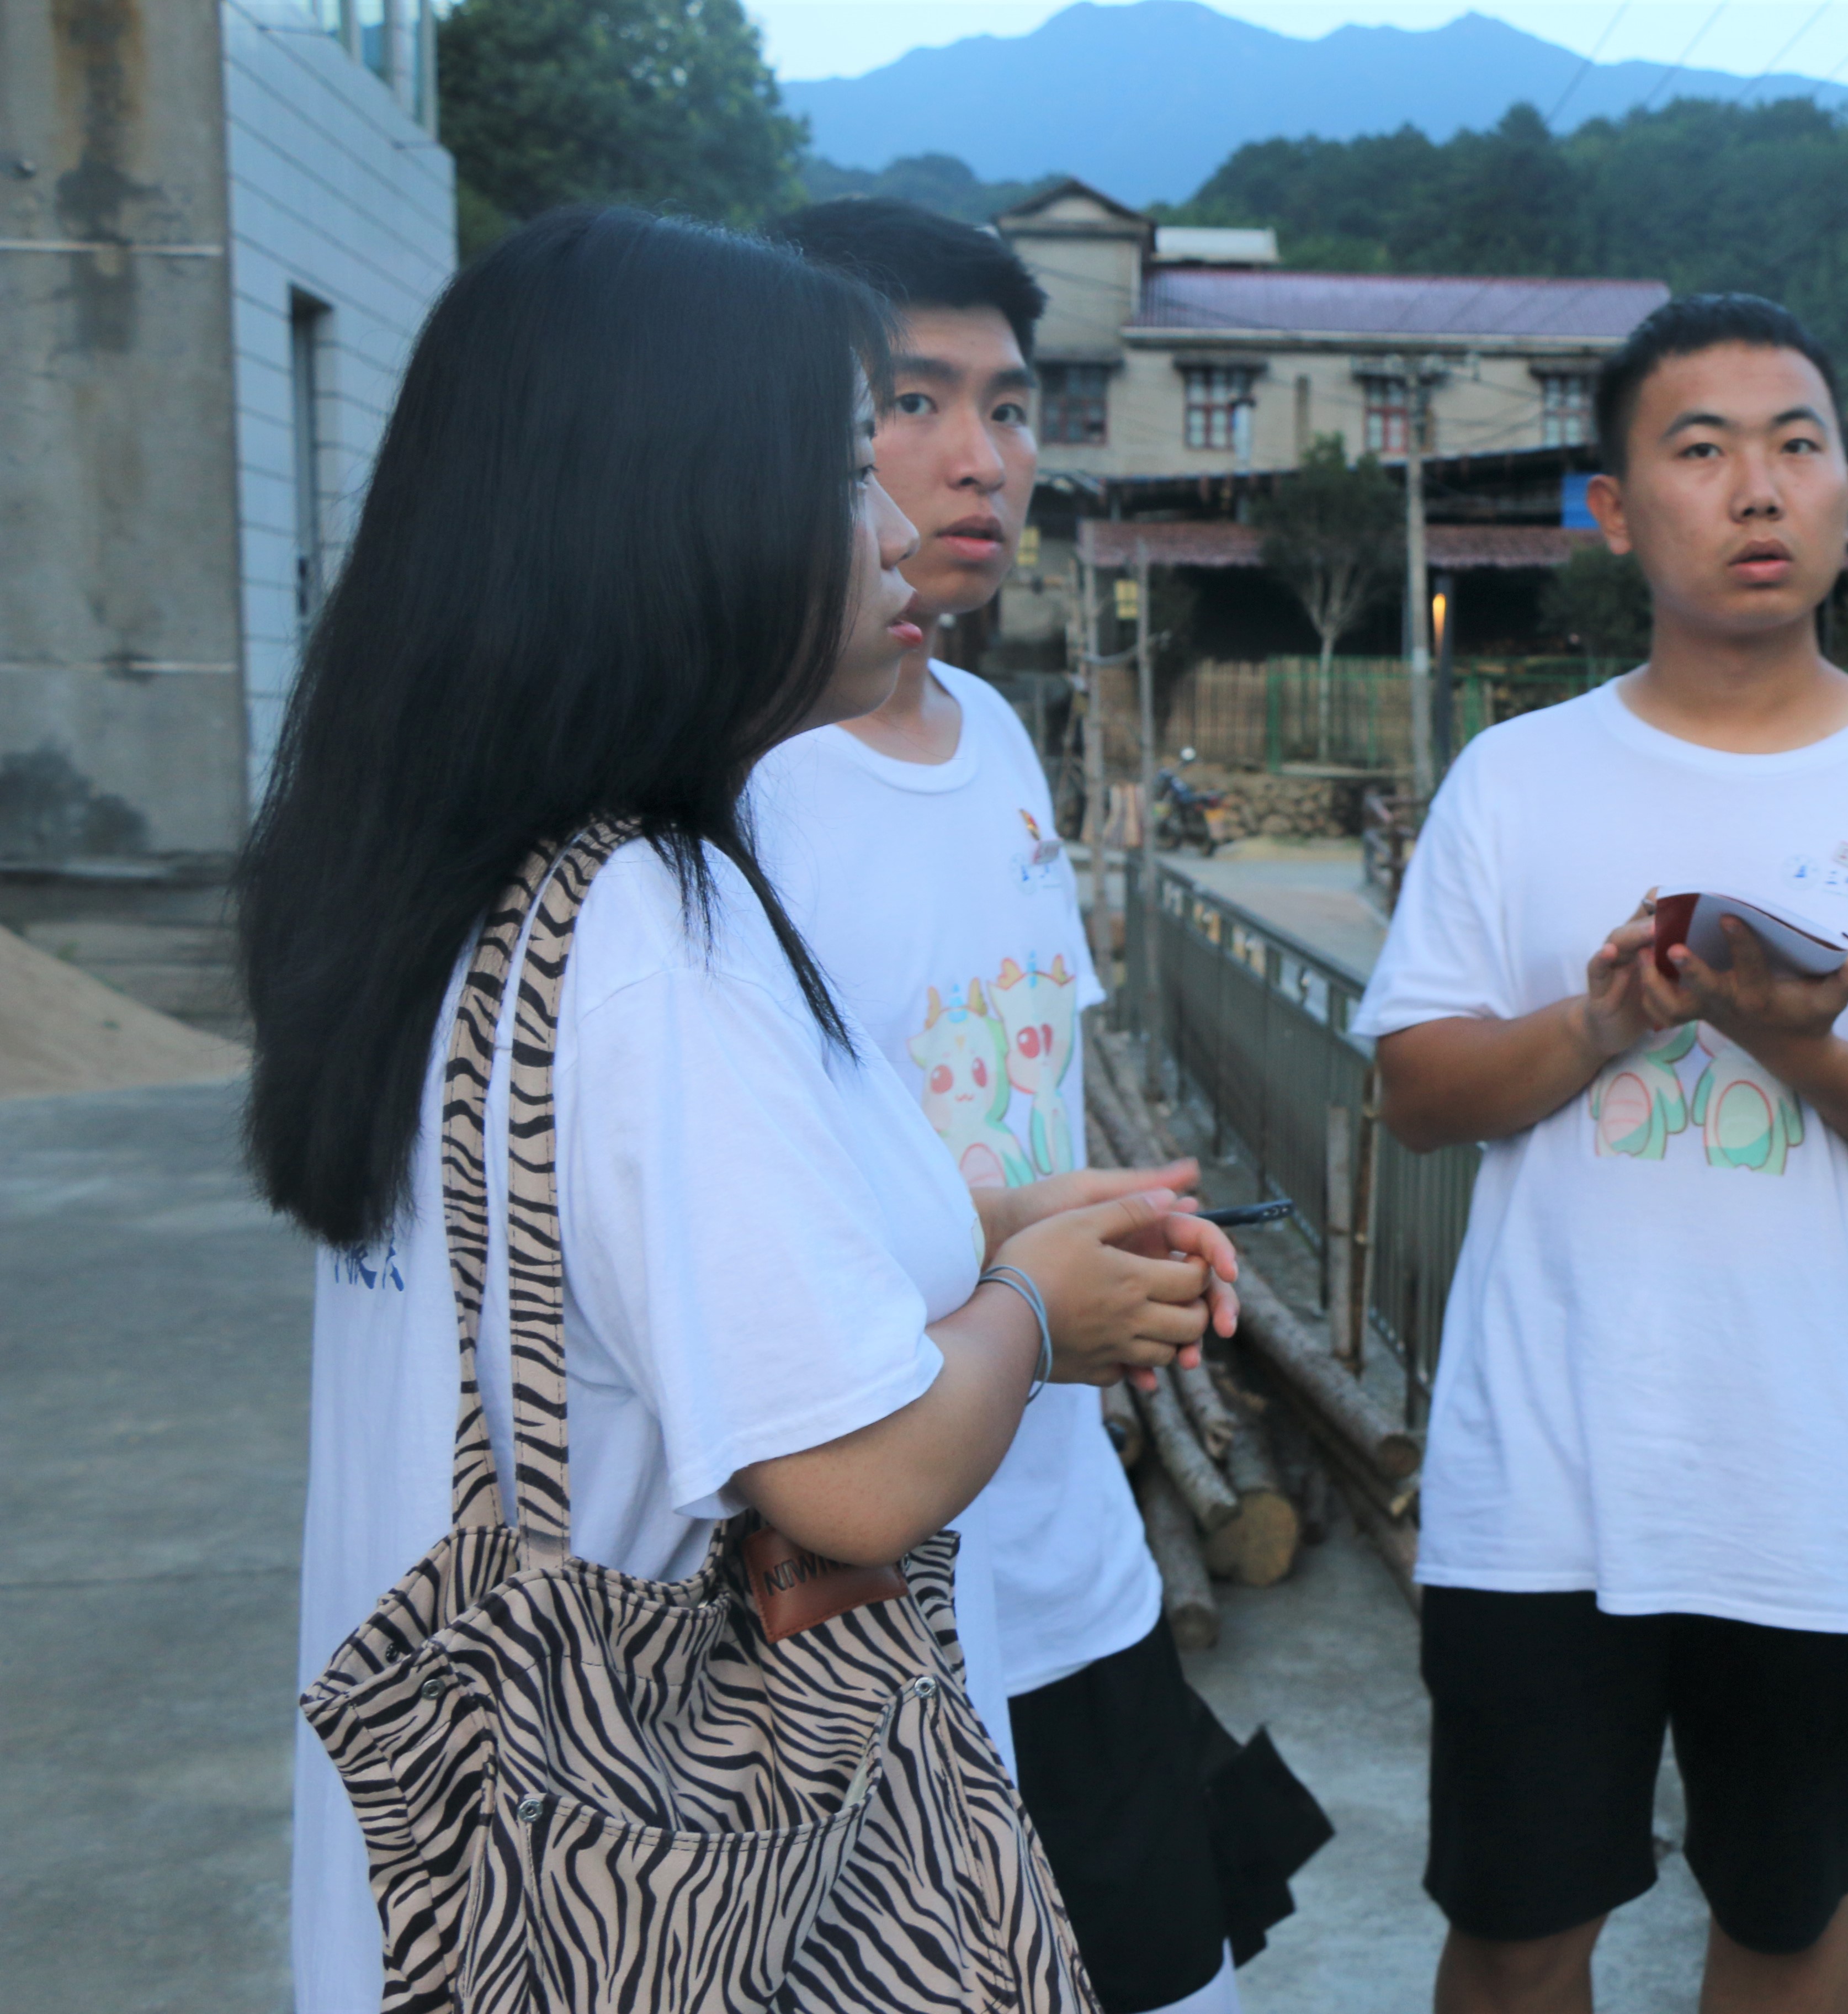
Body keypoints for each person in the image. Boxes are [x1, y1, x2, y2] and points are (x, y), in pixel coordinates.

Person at [243, 208, 1236, 2014]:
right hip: (675, 1868)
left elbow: (642, 1263)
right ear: (667, 512)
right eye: (839, 460)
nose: (890, 527)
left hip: (480, 1875)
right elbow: (852, 1479)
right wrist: (1034, 1310)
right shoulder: (647, 931)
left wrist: (995, 1225)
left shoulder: (465, 888)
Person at [1352, 293, 1848, 2014]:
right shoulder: (1518, 779)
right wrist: (1605, 1026)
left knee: (1785, 1925)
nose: (1757, 490)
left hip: (1806, 1489)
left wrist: (1798, 1042)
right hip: (1537, 1486)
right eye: (1700, 452)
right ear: (1614, 512)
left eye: (1798, 447)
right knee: (1519, 1925)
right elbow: (1415, 1086)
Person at [755, 197, 1275, 2014]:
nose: (978, 459)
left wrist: (1101, 1228)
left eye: (1013, 404)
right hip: (846, 1591)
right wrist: (1032, 1279)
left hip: (1068, 1555)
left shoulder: (991, 741)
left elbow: (1009, 1108)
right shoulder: (726, 792)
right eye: (910, 401)